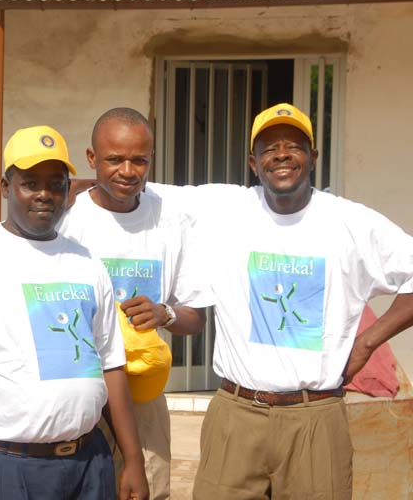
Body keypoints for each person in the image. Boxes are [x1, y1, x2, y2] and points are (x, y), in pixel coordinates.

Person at [153, 103, 413, 499]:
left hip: (315, 417)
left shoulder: (352, 223)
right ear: (253, 163)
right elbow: (133, 187)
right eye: (269, 147)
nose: (281, 155)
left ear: (313, 156)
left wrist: (367, 342)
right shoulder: (225, 209)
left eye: (293, 145)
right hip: (236, 415)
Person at [0, 125, 149, 500]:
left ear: (69, 191)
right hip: (3, 468)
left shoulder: (87, 263)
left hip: (89, 464)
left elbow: (111, 365)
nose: (44, 195)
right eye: (29, 183)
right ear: (6, 187)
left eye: (56, 184)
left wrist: (133, 459)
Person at [59, 107, 211, 500]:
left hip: (142, 396)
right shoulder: (65, 216)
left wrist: (166, 313)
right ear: (92, 159)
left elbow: (195, 315)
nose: (128, 171)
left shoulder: (172, 220)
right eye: (114, 159)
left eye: (139, 160)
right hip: (77, 391)